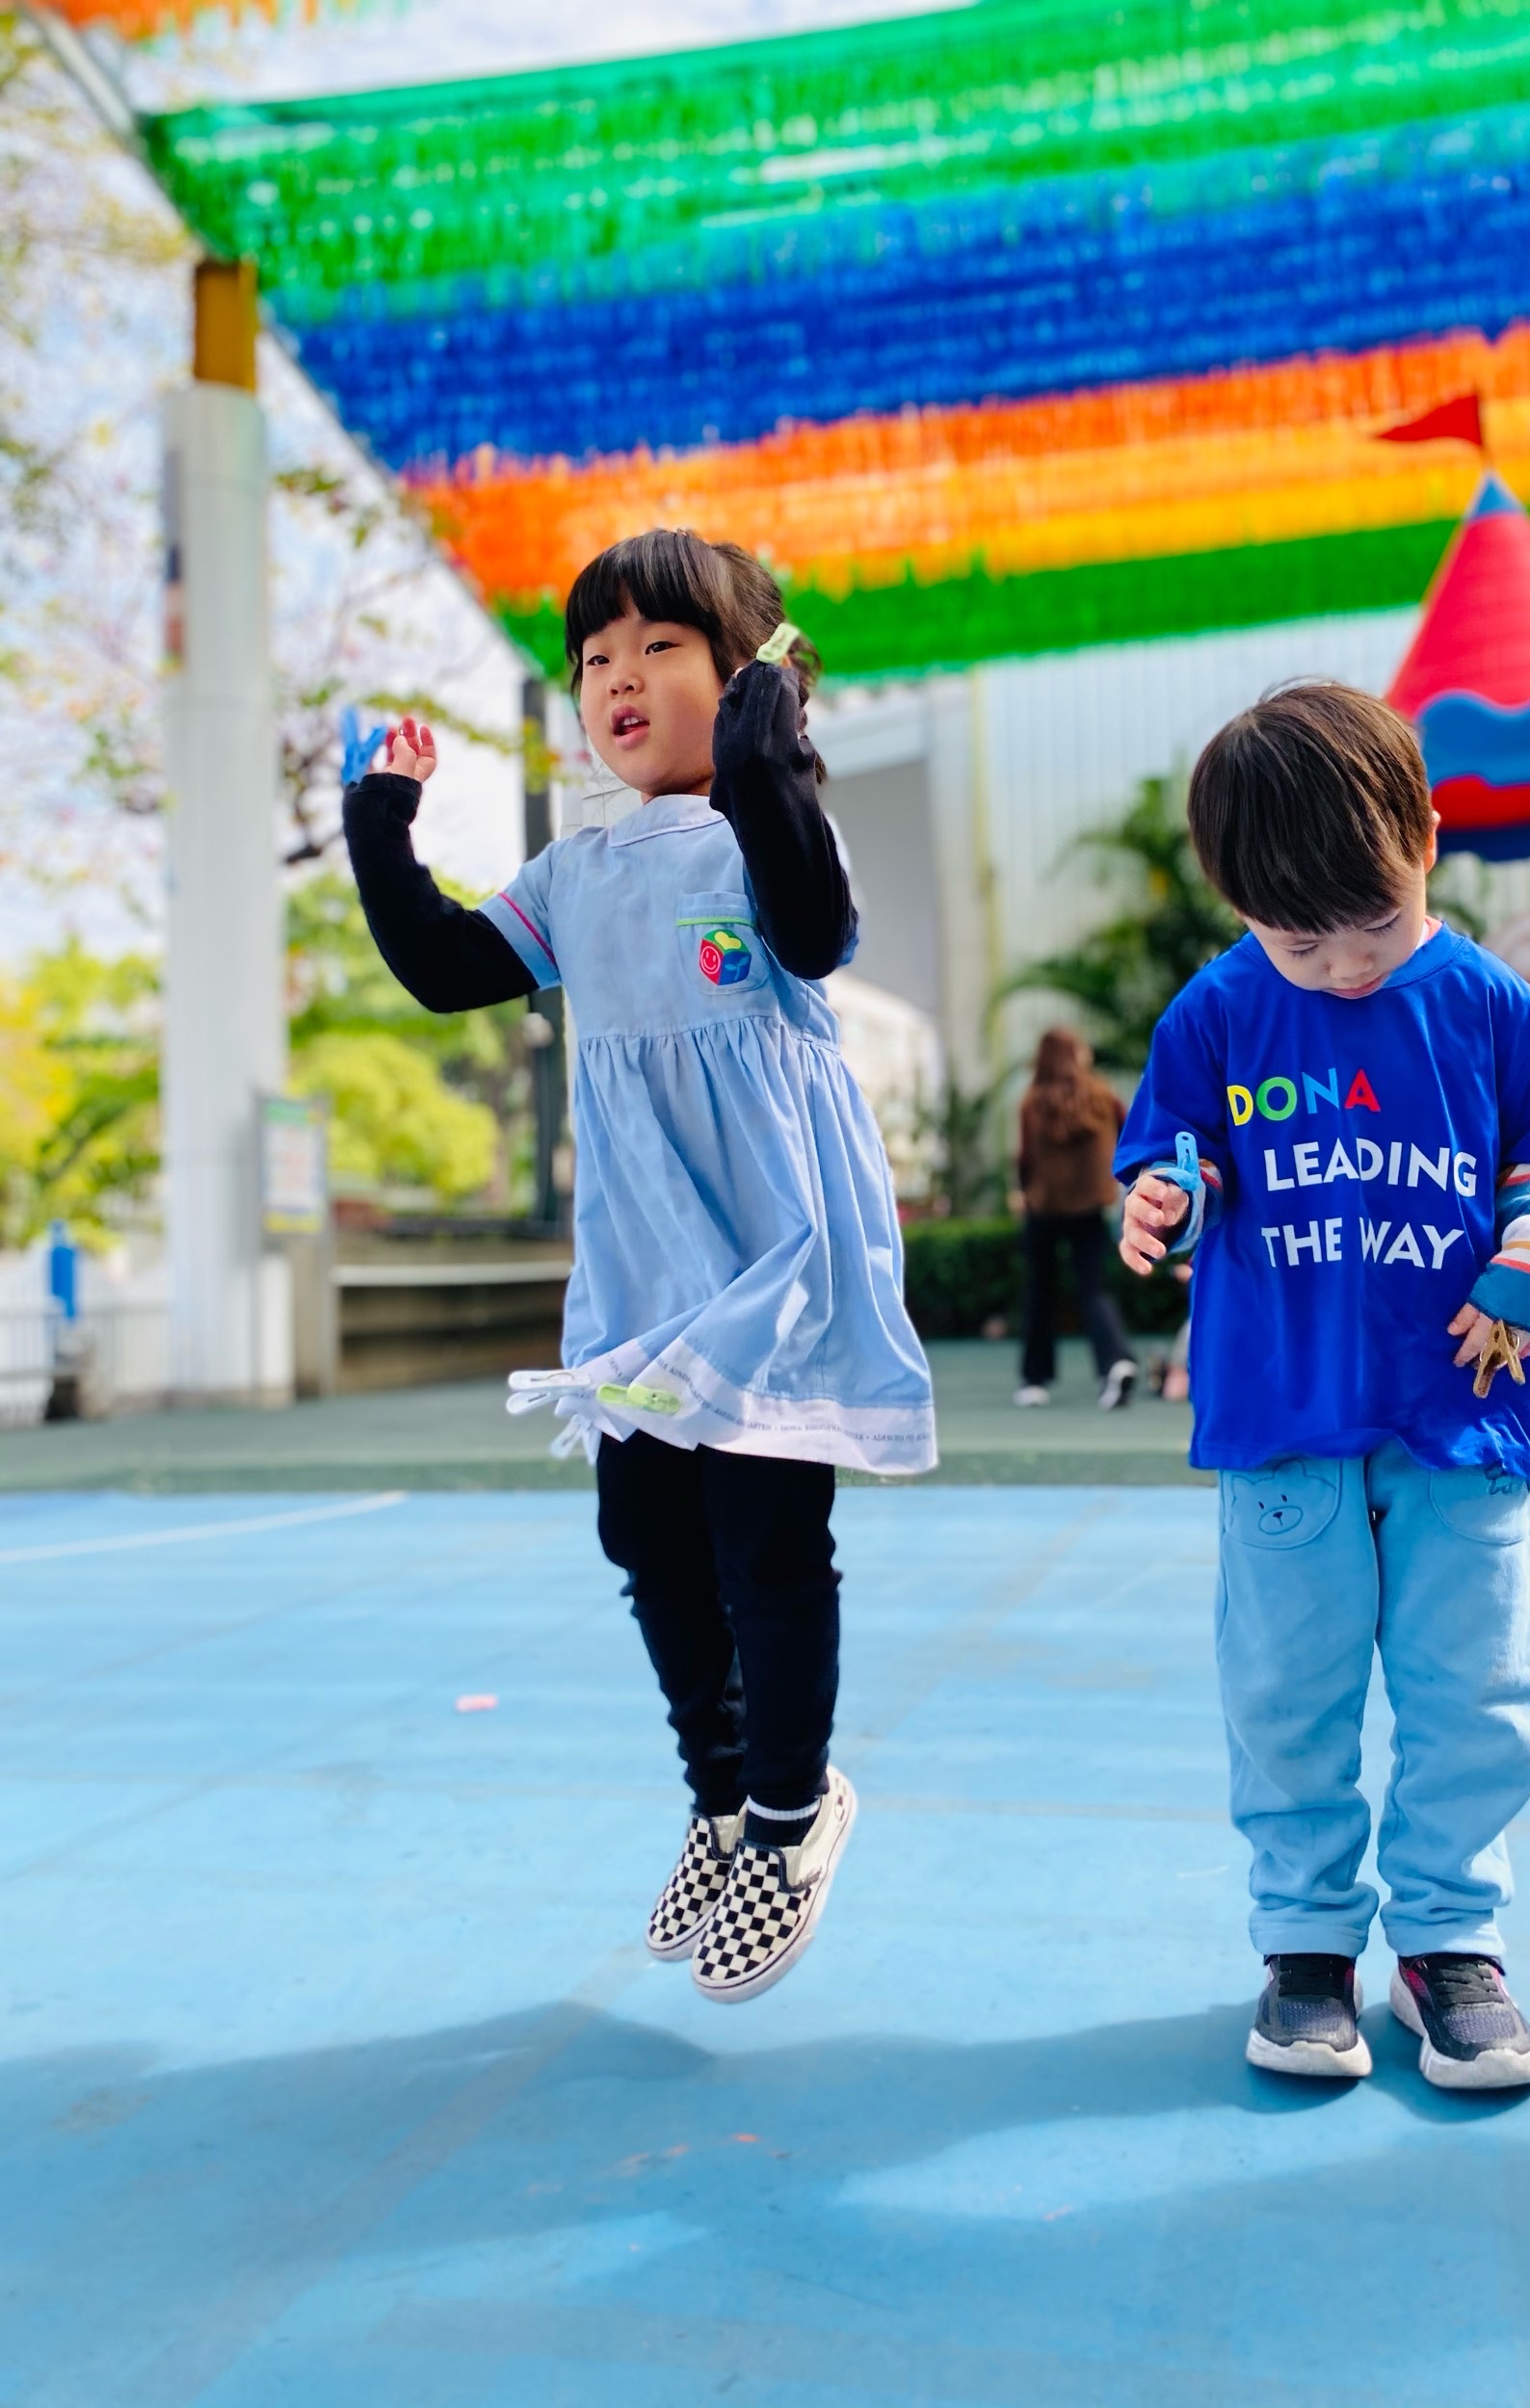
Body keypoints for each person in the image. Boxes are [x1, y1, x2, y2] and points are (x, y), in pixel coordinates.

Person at [343, 529, 936, 2002]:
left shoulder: (765, 833)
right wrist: (378, 822)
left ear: (742, 678)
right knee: (645, 1537)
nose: (616, 676)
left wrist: (766, 763)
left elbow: (816, 929)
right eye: (594, 657)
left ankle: (790, 1817)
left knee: (761, 1542)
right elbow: (443, 967)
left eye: (657, 646)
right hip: (643, 1271)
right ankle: (721, 1799)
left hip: (771, 1262)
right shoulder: (575, 871)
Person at [1117, 682, 1530, 2090]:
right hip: (1284, 1425)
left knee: (1474, 1693)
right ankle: (1307, 1945)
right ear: (1238, 905)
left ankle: (1449, 1943)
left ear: (1426, 842)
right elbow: (1178, 1164)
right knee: (1284, 1694)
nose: (1337, 967)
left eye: (1371, 925)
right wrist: (1163, 1204)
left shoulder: (1503, 1015)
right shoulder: (1215, 1013)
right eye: (1295, 938)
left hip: (1459, 1422)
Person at [1014, 1027, 1139, 1410]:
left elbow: (1025, 1159)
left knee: (1040, 1292)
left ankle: (1035, 1381)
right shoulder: (1103, 1096)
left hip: (1044, 1207)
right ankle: (1113, 1362)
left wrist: (1024, 1190)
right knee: (1094, 1291)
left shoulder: (1032, 1103)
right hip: (1091, 1207)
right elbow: (1132, 1135)